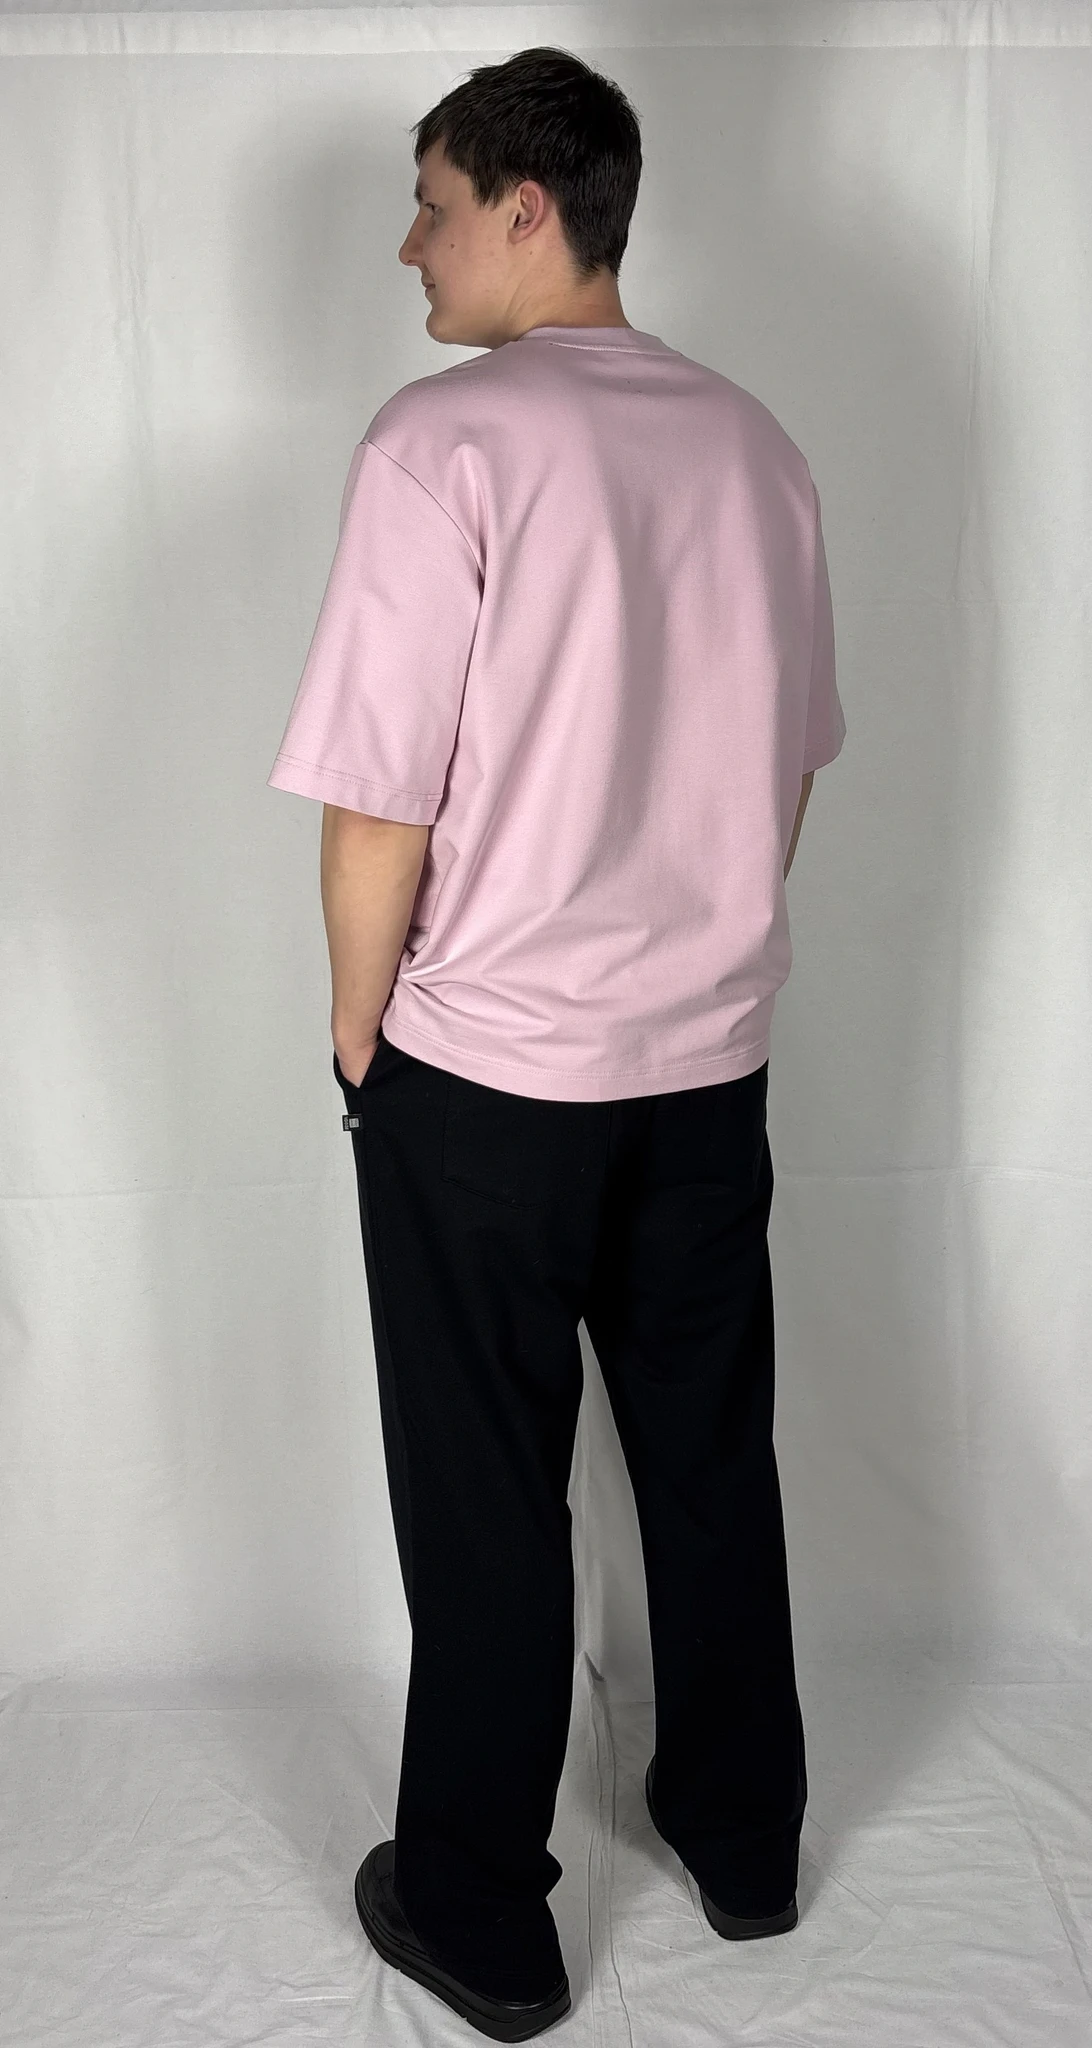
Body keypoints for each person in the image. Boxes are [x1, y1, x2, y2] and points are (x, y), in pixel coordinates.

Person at [267, 43, 845, 2043]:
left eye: (432, 203)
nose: (407, 246)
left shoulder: (445, 445)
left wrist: (364, 1040)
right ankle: (748, 1839)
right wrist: (698, 967)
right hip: (705, 1067)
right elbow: (783, 774)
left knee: (488, 1492)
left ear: (533, 205)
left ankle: (480, 1921)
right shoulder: (759, 447)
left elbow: (379, 802)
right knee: (709, 1454)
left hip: (490, 1073)